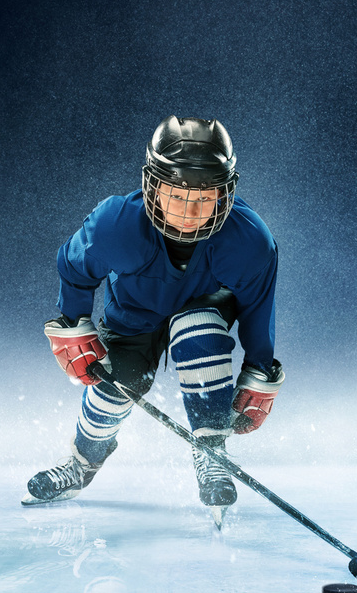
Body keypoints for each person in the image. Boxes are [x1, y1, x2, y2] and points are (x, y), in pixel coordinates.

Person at [22, 115, 284, 523]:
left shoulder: (250, 241)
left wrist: (259, 368)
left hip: (204, 308)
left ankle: (211, 451)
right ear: (152, 187)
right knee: (117, 381)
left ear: (226, 194)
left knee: (196, 327)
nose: (190, 212)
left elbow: (258, 307)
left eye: (205, 196)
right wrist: (73, 323)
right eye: (177, 194)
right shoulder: (115, 224)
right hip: (134, 315)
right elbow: (74, 266)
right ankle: (82, 461)